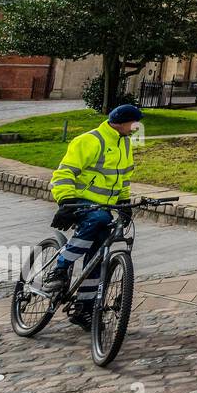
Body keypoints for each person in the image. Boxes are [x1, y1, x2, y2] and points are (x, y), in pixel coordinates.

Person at [44, 103, 142, 329]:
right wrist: (66, 200)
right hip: (81, 201)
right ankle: (59, 269)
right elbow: (64, 172)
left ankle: (84, 308)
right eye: (134, 123)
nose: (136, 128)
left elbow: (123, 176)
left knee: (99, 256)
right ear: (122, 122)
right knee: (99, 219)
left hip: (106, 205)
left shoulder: (124, 143)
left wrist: (124, 201)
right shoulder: (90, 140)